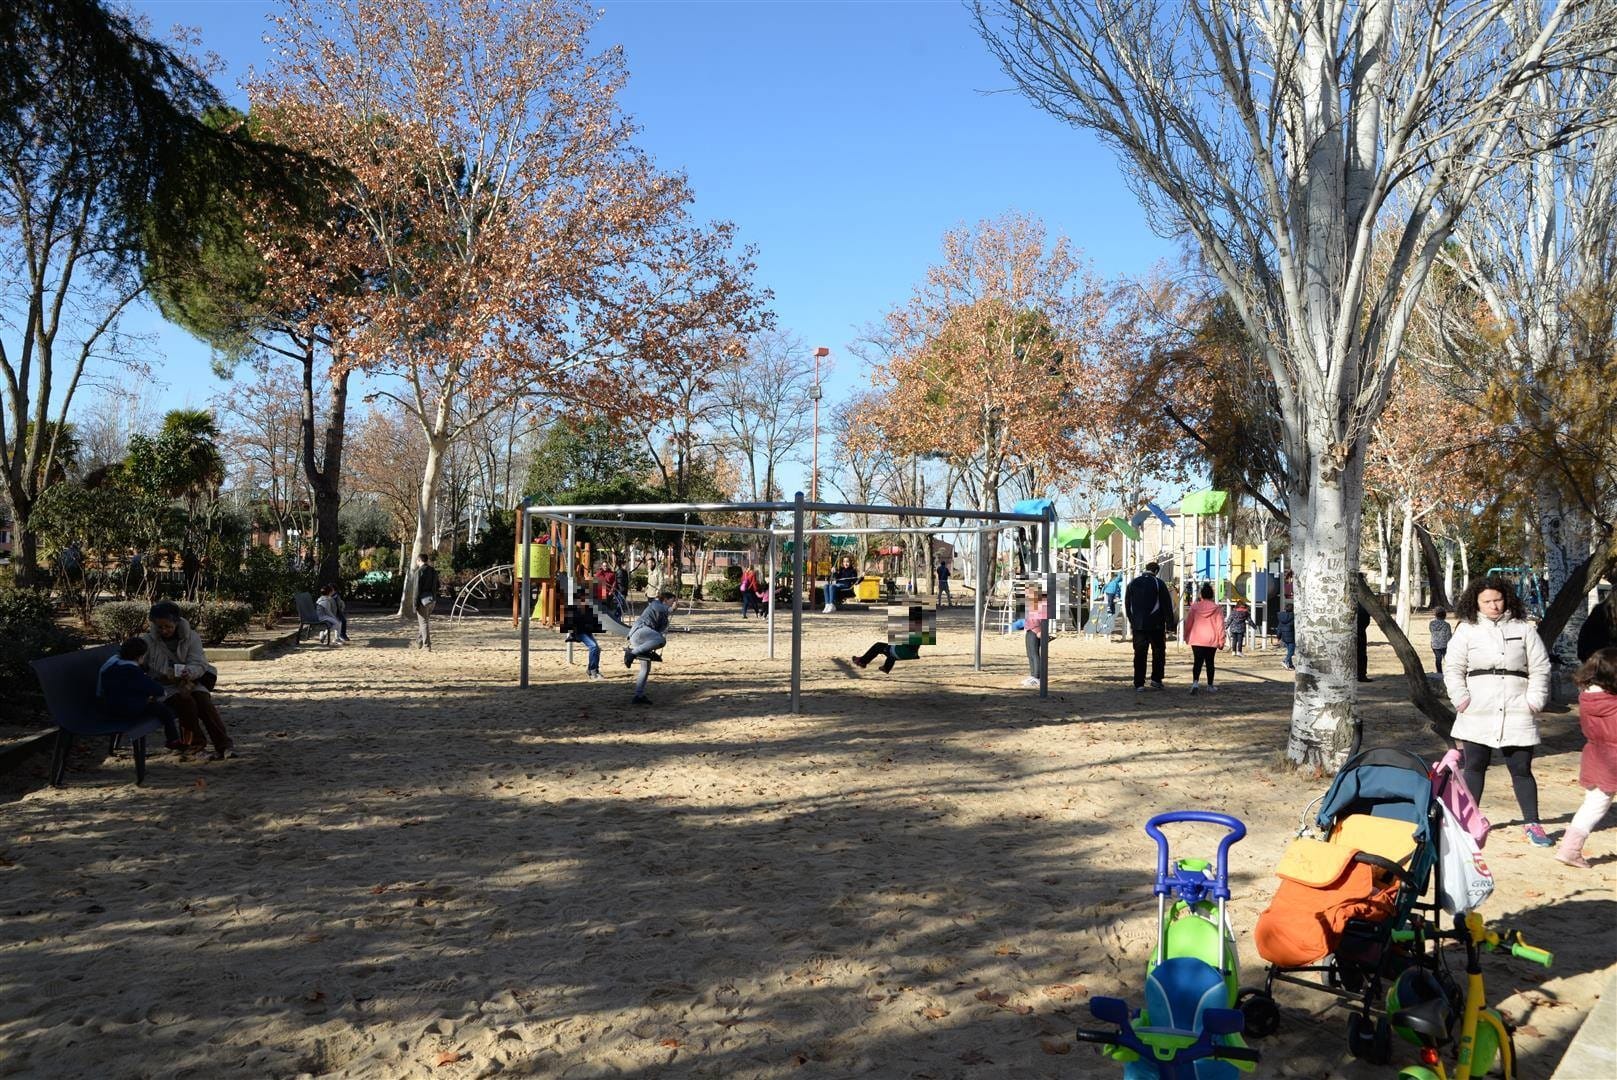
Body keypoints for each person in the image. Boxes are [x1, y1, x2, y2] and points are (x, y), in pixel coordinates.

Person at [1442, 575, 1554, 847]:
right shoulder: (1466, 630)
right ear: (1476, 603)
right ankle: (1468, 824)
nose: (1493, 606)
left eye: (1498, 600)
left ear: (1506, 599)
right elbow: (1453, 668)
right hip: (1477, 708)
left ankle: (1533, 823)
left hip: (1517, 707)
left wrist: (1534, 700)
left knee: (1521, 768)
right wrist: (1461, 699)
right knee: (1474, 767)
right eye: (1486, 601)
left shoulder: (1524, 629)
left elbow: (1540, 667)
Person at [142, 601, 235, 759]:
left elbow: (198, 662)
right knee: (186, 702)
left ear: (177, 622)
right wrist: (163, 675)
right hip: (164, 686)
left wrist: (189, 672)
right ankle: (195, 746)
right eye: (159, 627)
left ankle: (224, 745)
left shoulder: (191, 637)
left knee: (203, 700)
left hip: (191, 680)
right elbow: (142, 665)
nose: (164, 630)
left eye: (168, 626)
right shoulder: (147, 641)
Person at [1557, 647, 1617, 867]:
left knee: (1593, 805)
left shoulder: (1587, 698)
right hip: (1612, 756)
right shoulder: (1612, 703)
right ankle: (1570, 850)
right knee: (1595, 805)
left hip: (1595, 755)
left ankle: (1569, 849)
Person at [97, 637, 185, 750]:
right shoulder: (132, 671)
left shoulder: (112, 663)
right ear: (140, 657)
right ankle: (173, 740)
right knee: (164, 710)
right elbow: (155, 689)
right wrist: (161, 691)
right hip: (127, 710)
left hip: (109, 705)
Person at [1124, 561, 1175, 692]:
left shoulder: (1132, 583)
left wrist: (1132, 621)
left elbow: (1127, 604)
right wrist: (1170, 623)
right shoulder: (1159, 583)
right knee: (1158, 652)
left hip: (1138, 626)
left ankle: (1139, 683)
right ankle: (1156, 679)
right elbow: (1166, 604)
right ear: (1156, 571)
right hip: (1156, 625)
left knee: (1139, 654)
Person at [626, 588, 676, 705]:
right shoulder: (656, 603)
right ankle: (632, 653)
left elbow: (657, 631)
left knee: (645, 669)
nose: (673, 603)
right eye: (672, 601)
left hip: (644, 640)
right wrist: (671, 609)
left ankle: (638, 696)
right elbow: (662, 608)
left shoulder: (664, 617)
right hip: (639, 632)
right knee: (661, 640)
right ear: (665, 600)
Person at [853, 608, 929, 673]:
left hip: (902, 652)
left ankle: (862, 661)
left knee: (878, 646)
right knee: (888, 648)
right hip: (913, 654)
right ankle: (885, 667)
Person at [1183, 584, 1226, 694]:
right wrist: (1222, 640)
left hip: (1196, 638)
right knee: (1210, 662)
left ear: (1201, 595)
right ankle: (1210, 685)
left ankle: (1195, 683)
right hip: (1211, 639)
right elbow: (1220, 626)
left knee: (1197, 662)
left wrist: (1186, 636)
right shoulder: (1217, 608)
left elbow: (1188, 623)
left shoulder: (1194, 607)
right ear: (1212, 595)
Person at [1019, 582, 1049, 688]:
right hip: (1029, 629)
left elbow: (1040, 619)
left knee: (1034, 653)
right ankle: (1033, 676)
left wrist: (1039, 630)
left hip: (1035, 630)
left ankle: (1037, 677)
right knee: (1030, 654)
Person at [413, 553, 440, 651]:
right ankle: (419, 641)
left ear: (419, 560)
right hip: (432, 600)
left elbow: (416, 589)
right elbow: (438, 585)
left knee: (423, 623)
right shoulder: (433, 571)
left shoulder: (419, 572)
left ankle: (426, 645)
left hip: (422, 600)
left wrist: (415, 604)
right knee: (424, 622)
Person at [1355, 586, 1373, 682]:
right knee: (1361, 653)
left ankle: (1361, 674)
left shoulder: (1361, 599)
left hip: (1359, 629)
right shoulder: (1362, 599)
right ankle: (1361, 674)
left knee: (1361, 653)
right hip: (1359, 630)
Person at [1429, 607, 1452, 673]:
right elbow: (1448, 635)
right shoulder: (1446, 625)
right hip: (1444, 644)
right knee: (1447, 659)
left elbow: (1431, 631)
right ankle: (1448, 671)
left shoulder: (1431, 624)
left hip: (1435, 644)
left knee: (1438, 659)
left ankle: (1439, 672)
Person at [1276, 603, 1296, 670]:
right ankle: (1285, 661)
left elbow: (1279, 627)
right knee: (1291, 651)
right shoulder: (1293, 617)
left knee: (1289, 651)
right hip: (1292, 636)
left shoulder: (1281, 617)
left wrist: (1278, 637)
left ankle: (1290, 665)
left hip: (1284, 637)